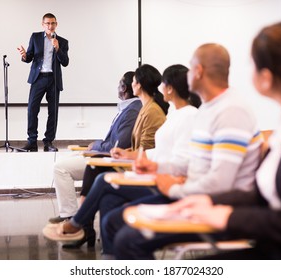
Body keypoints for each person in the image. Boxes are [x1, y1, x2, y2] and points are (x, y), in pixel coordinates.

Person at [131, 21, 281, 260]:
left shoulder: (233, 111)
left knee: (128, 236)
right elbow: (261, 194)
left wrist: (220, 211)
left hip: (276, 244)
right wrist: (202, 200)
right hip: (263, 231)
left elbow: (236, 187)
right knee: (124, 225)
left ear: (266, 77)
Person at [102, 43, 264, 259]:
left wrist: (174, 190)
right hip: (192, 195)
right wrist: (157, 166)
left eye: (190, 67)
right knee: (113, 221)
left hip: (214, 207)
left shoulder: (231, 111)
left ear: (198, 71)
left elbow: (220, 183)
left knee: (127, 239)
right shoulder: (207, 109)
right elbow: (193, 161)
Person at [42, 64, 200, 250]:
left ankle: (76, 224)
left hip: (164, 182)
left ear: (170, 88)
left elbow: (180, 162)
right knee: (107, 196)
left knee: (102, 177)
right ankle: (107, 252)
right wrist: (130, 154)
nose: (161, 88)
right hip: (153, 172)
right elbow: (158, 151)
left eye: (164, 84)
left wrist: (147, 164)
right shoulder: (174, 114)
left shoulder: (186, 116)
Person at [48, 71, 142, 224]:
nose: (117, 87)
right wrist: (95, 146)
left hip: (109, 159)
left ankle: (70, 214)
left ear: (124, 88)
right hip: (102, 153)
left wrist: (96, 145)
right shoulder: (127, 108)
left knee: (60, 168)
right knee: (62, 161)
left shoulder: (132, 110)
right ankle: (70, 214)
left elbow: (118, 145)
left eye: (119, 84)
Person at [17, 13, 69, 152]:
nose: (50, 26)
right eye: (47, 23)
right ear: (43, 24)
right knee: (32, 109)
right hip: (38, 78)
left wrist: (57, 48)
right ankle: (32, 142)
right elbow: (29, 57)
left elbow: (65, 62)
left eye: (52, 23)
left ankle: (48, 143)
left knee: (53, 112)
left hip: (54, 79)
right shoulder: (35, 37)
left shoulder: (62, 42)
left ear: (56, 24)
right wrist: (24, 56)